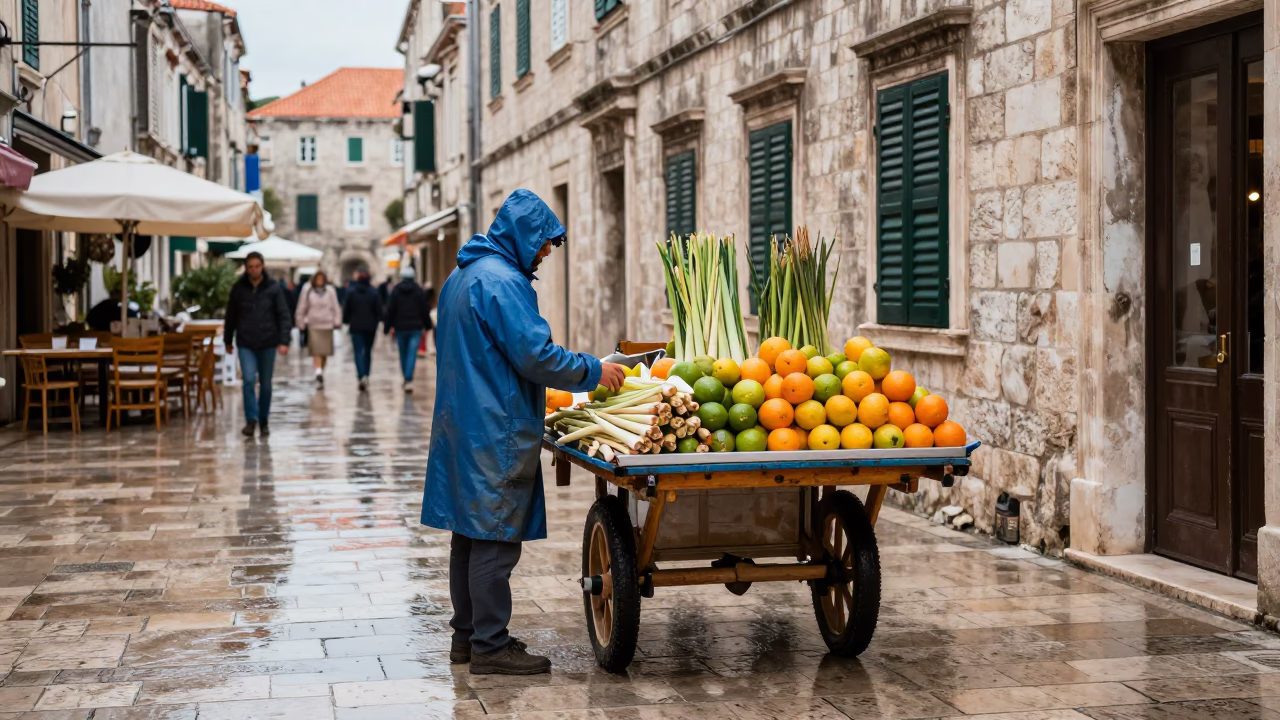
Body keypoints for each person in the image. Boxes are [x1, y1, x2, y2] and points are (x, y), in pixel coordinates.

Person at [422, 189, 626, 675]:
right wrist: (594, 370)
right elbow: (536, 356)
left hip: (461, 423)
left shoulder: (461, 275)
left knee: (468, 535)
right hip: (495, 427)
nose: (543, 255)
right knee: (494, 535)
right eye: (543, 245)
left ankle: (466, 638)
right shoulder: (503, 282)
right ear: (524, 236)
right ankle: (492, 647)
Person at [223, 251, 291, 437]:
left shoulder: (274, 288)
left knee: (266, 384)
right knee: (249, 380)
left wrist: (284, 340)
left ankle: (264, 419)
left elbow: (284, 315)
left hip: (268, 341)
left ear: (262, 266)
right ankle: (251, 420)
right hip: (246, 342)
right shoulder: (238, 289)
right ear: (246, 268)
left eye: (257, 266)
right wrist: (228, 340)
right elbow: (231, 316)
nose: (254, 270)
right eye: (250, 267)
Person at [383, 264, 430, 393]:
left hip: (400, 327)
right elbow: (424, 309)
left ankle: (406, 377)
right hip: (415, 327)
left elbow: (390, 310)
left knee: (403, 353)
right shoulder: (418, 290)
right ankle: (409, 379)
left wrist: (387, 327)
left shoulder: (396, 290)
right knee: (412, 353)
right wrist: (428, 325)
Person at [295, 270, 342, 386]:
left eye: (322, 278)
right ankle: (318, 372)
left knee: (324, 353)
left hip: (327, 324)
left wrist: (337, 321)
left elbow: (336, 306)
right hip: (313, 324)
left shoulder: (330, 290)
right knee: (316, 351)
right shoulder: (307, 289)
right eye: (318, 278)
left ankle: (321, 371)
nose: (320, 281)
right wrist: (300, 321)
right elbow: (302, 305)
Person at [343, 271, 382, 391]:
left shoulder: (351, 292)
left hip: (356, 326)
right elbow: (379, 310)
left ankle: (361, 376)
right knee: (367, 352)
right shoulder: (374, 292)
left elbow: (346, 309)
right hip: (370, 327)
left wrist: (346, 321)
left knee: (358, 352)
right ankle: (366, 375)